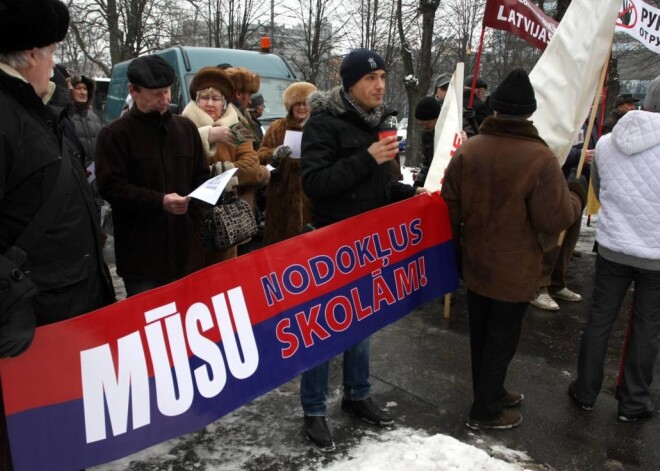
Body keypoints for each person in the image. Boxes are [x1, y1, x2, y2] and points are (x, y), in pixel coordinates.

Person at [0, 0, 116, 467]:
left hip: (68, 313)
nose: (57, 61)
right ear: (31, 54)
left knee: (66, 443)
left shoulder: (44, 112)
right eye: (52, 49)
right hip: (30, 327)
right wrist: (11, 300)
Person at [441, 69, 585, 431]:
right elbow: (554, 219)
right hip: (514, 267)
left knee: (483, 335)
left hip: (475, 261)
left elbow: (450, 204)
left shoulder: (469, 149)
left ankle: (490, 391)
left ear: (496, 108)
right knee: (502, 338)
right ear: (529, 113)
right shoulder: (541, 159)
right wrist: (576, 195)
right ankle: (485, 411)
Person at [300, 48, 429, 451]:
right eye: (370, 79)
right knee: (322, 328)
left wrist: (411, 194)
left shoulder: (378, 123)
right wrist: (366, 157)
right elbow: (316, 184)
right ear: (350, 84)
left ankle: (357, 395)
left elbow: (377, 187)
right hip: (330, 242)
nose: (379, 86)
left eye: (383, 79)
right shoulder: (322, 123)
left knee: (363, 323)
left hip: (368, 244)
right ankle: (314, 410)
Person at [568, 77, 660, 423]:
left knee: (600, 320)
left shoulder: (606, 143)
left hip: (613, 246)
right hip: (655, 254)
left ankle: (585, 391)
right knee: (646, 327)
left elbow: (600, 188)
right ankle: (634, 401)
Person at [96, 55, 210, 296]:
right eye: (156, 93)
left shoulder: (185, 129)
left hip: (185, 252)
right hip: (141, 258)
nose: (165, 99)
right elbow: (111, 187)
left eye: (167, 91)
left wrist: (193, 222)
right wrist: (160, 202)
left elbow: (201, 178)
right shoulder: (115, 134)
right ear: (133, 91)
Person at [181, 66, 269, 263]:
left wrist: (222, 173)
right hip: (191, 218)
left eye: (216, 99)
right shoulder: (182, 124)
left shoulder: (238, 126)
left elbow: (251, 166)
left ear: (224, 102)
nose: (210, 103)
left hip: (227, 219)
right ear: (196, 101)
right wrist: (207, 135)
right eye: (205, 98)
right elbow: (179, 168)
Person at [531, 122, 597, 311]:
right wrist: (578, 156)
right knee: (552, 240)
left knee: (568, 240)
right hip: (555, 184)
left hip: (576, 185)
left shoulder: (586, 121)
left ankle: (556, 283)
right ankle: (539, 287)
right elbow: (549, 149)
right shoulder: (565, 114)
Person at [257, 82, 317, 245]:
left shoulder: (319, 127)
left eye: (305, 103)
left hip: (311, 196)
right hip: (280, 197)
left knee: (310, 248)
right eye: (297, 103)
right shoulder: (277, 127)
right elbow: (260, 155)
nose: (302, 107)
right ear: (290, 106)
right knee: (280, 248)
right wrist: (274, 154)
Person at [412, 96, 441, 188]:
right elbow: (427, 163)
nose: (424, 127)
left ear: (438, 118)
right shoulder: (426, 134)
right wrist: (418, 183)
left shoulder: (452, 130)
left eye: (427, 124)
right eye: (421, 124)